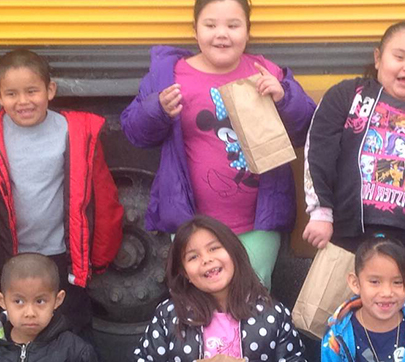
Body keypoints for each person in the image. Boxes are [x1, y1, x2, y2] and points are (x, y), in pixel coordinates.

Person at [120, 0, 316, 289]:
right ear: (195, 31)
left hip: (257, 223)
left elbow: (307, 129)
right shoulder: (170, 75)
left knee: (254, 296)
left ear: (247, 32)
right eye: (210, 25)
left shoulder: (264, 71)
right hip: (193, 224)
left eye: (233, 25)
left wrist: (284, 97)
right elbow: (136, 133)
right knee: (197, 299)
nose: (221, 34)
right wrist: (157, 109)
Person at [0, 49, 124, 333]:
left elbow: (103, 196)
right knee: (16, 330)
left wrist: (101, 254)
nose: (23, 101)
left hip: (61, 256)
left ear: (50, 90)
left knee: (71, 331)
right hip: (10, 258)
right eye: (11, 94)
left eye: (32, 91)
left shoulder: (75, 133)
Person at [303, 21, 405, 282]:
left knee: (396, 312)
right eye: (399, 56)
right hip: (350, 230)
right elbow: (318, 149)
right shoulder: (350, 95)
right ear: (378, 58)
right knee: (339, 312)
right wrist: (321, 211)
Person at [134, 216, 305, 362]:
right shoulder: (170, 316)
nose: (206, 259)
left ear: (233, 253)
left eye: (214, 248)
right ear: (184, 273)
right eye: (193, 256)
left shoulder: (272, 315)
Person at [321, 236, 405, 362]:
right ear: (355, 283)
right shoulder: (337, 336)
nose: (387, 292)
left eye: (397, 282)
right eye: (375, 281)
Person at [0, 253, 98, 362]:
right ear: (1, 300)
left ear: (58, 300)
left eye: (40, 301)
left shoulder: (75, 352)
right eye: (18, 301)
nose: (30, 313)